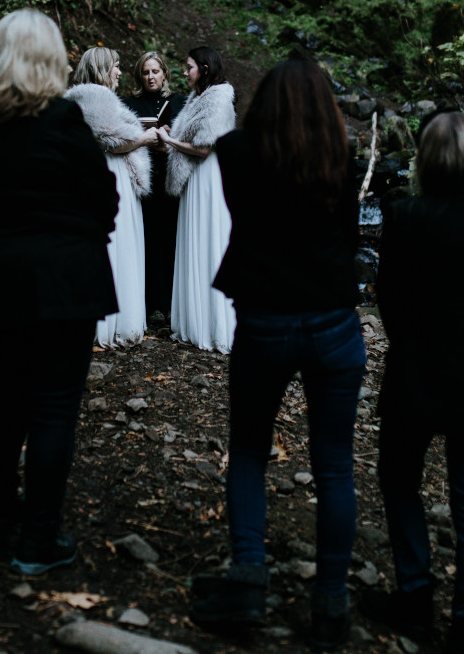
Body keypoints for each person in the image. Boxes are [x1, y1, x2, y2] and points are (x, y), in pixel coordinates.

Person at [190, 59, 363, 649]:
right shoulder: (344, 160)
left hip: (263, 317)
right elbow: (350, 241)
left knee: (248, 450)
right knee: (335, 465)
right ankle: (332, 604)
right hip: (334, 322)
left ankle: (249, 578)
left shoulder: (237, 153)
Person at [0, 8, 118, 577]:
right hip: (63, 285)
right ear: (52, 61)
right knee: (54, 406)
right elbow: (105, 200)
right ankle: (38, 540)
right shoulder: (63, 121)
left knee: (11, 389)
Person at [364, 110, 464, 654]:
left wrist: (413, 337)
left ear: (426, 160)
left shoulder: (404, 215)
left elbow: (389, 297)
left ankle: (414, 595)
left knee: (400, 479)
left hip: (417, 368)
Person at [66, 47, 159, 347]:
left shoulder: (82, 96)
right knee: (117, 245)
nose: (120, 72)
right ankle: (113, 324)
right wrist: (145, 137)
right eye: (116, 66)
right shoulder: (96, 95)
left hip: (101, 176)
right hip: (112, 176)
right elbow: (112, 139)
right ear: (103, 69)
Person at [159, 46, 236, 352]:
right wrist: (173, 141)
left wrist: (170, 141)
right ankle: (193, 321)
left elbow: (204, 149)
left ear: (204, 69)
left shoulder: (219, 98)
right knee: (193, 243)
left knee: (207, 244)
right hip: (194, 177)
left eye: (188, 66)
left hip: (207, 178)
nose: (184, 71)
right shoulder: (197, 98)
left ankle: (212, 325)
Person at [121, 51, 186, 318]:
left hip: (169, 177)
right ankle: (146, 304)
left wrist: (169, 135)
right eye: (146, 72)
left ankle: (168, 303)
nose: (150, 77)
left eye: (155, 72)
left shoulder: (178, 101)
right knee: (145, 237)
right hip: (142, 178)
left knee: (169, 237)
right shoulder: (128, 102)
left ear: (165, 74)